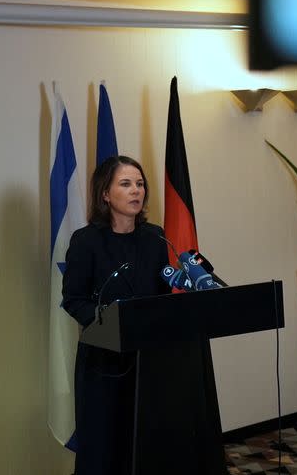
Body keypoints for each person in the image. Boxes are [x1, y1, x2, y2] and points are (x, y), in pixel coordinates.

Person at [61, 155, 224, 475]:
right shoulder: (86, 240)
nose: (136, 190)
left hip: (151, 362)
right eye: (125, 184)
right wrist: (109, 318)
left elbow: (162, 295)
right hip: (104, 361)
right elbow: (73, 300)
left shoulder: (154, 236)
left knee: (146, 442)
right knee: (106, 444)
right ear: (105, 194)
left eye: (140, 184)